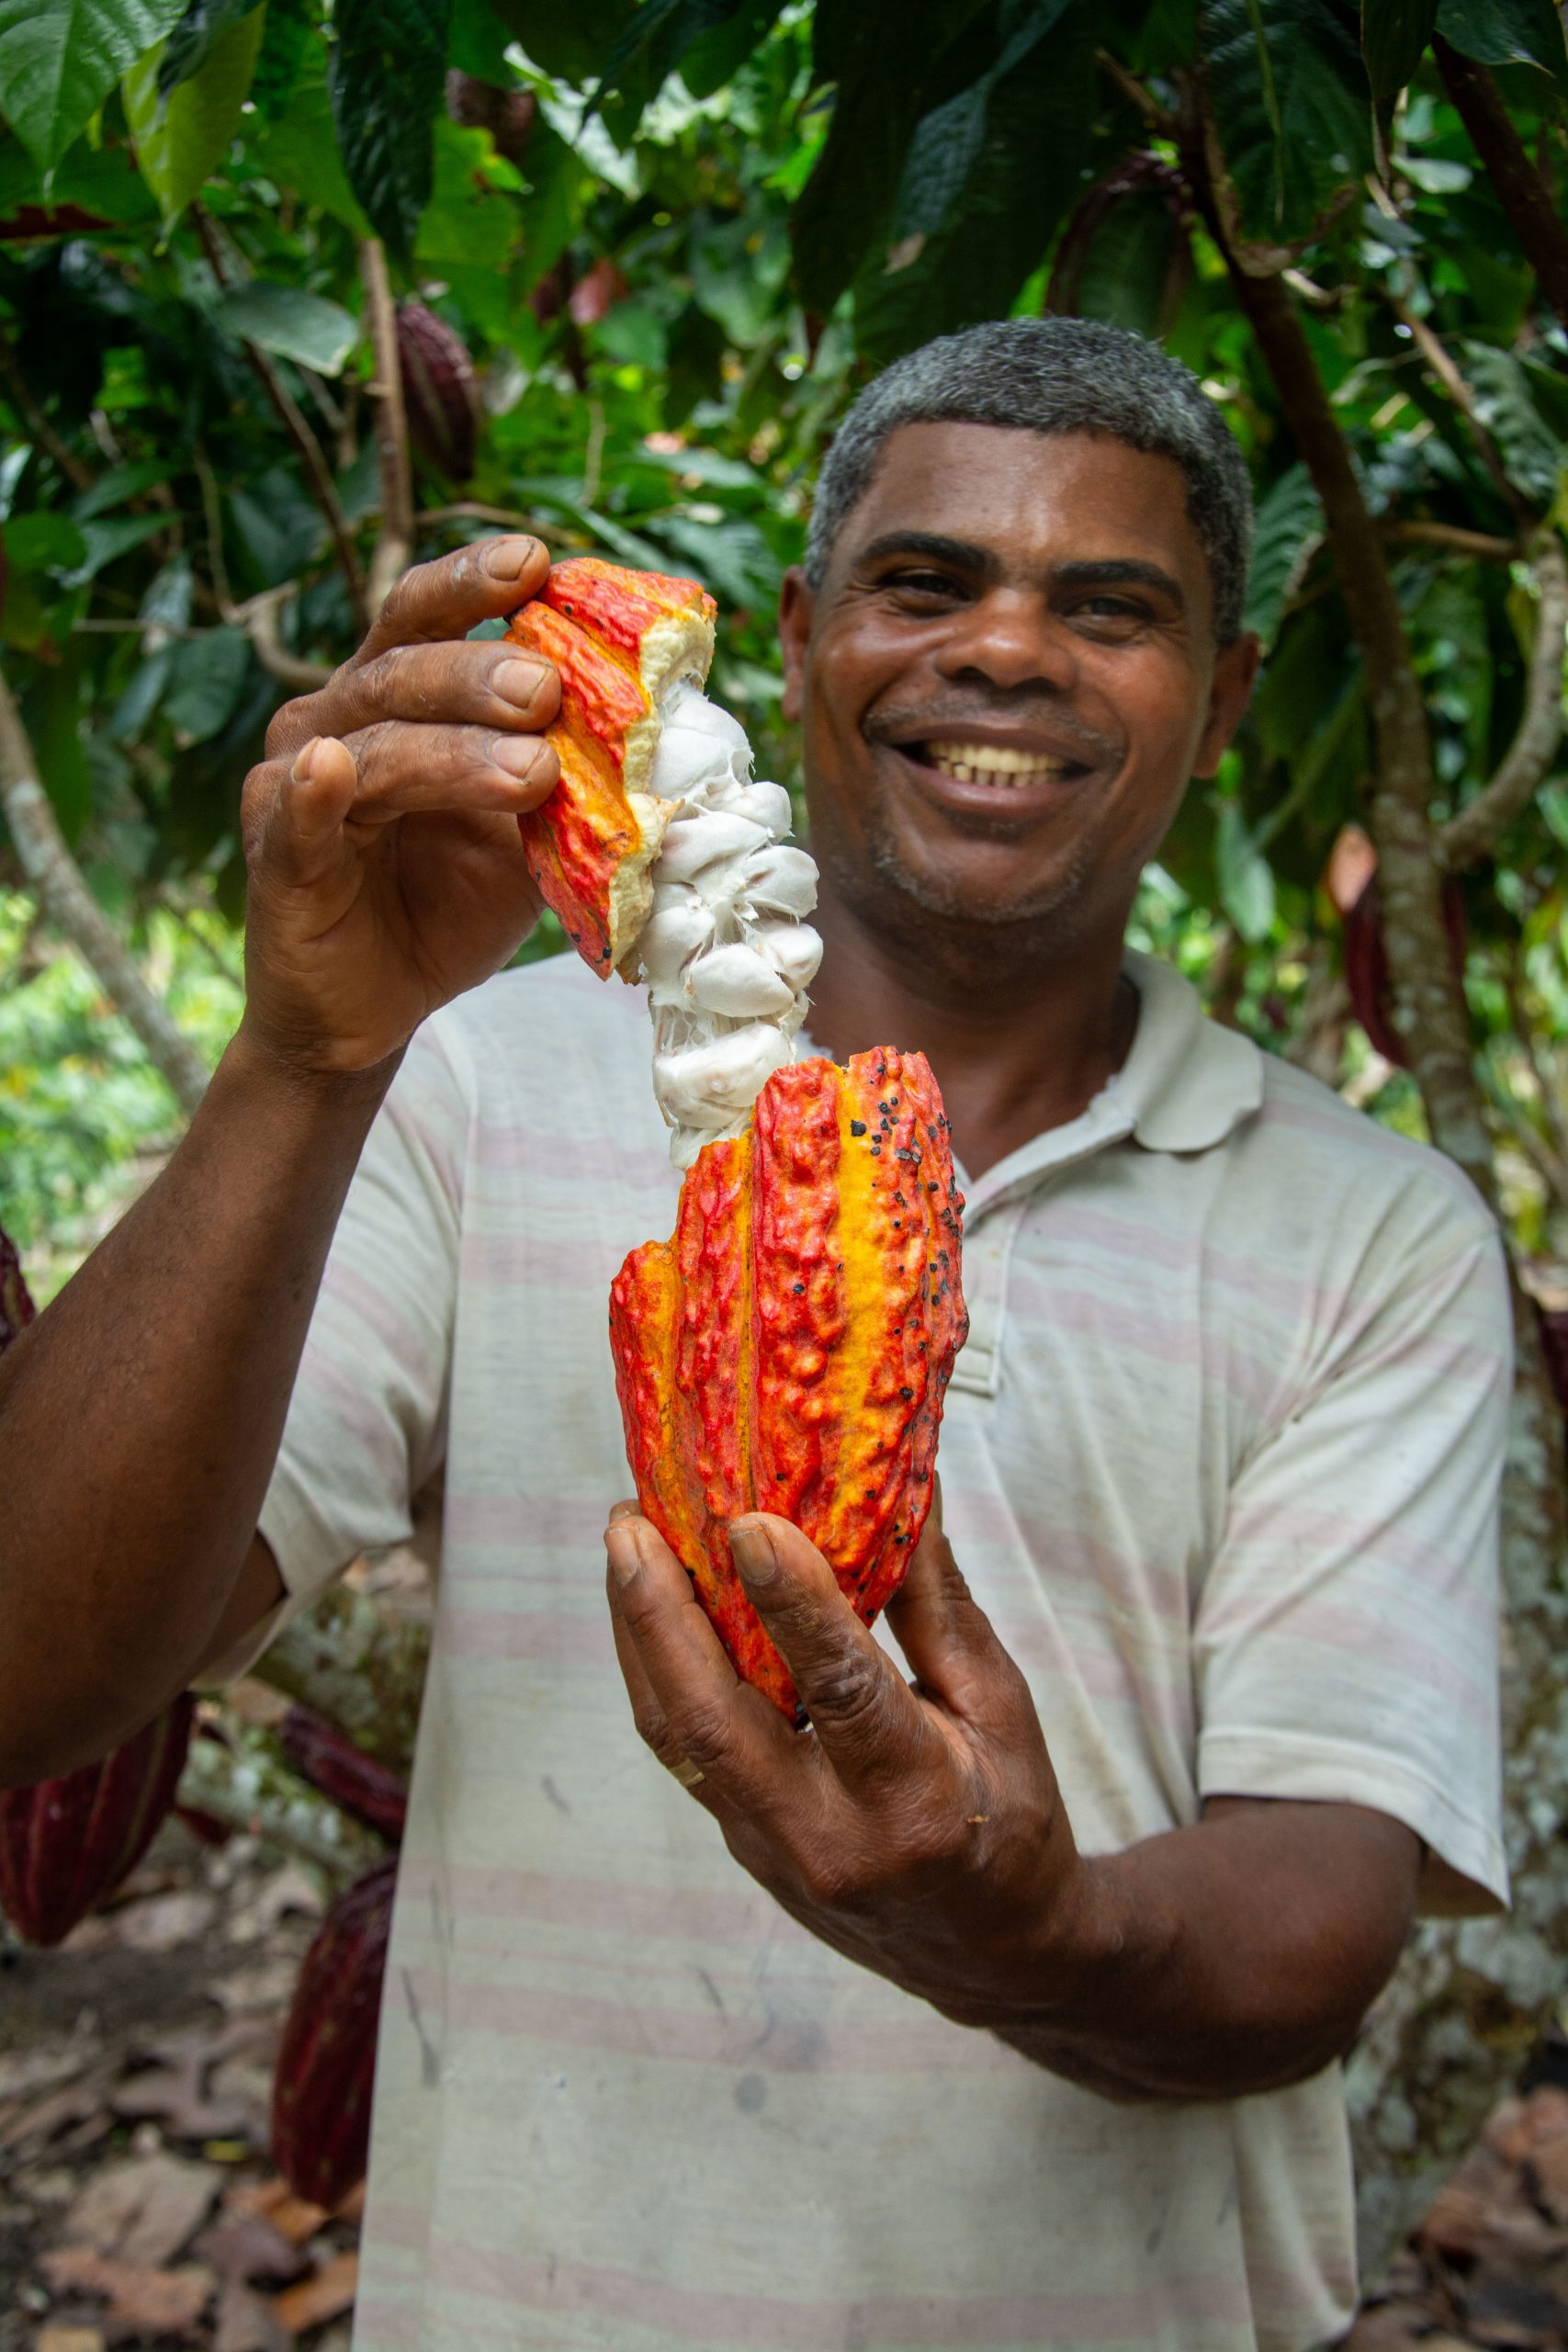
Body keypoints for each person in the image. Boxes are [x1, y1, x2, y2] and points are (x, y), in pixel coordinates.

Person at [0, 319, 1509, 2351]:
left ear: (1223, 697)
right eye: (924, 581)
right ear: (795, 638)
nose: (1002, 650)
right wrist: (299, 1056)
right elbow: (29, 1671)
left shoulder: (1371, 1232)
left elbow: (1319, 1920)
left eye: (1108, 606)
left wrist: (1016, 1923)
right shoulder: (467, 1082)